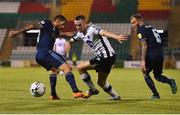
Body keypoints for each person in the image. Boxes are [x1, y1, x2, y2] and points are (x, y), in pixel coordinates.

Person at [8, 15, 85, 100]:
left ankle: (53, 95)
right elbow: (32, 26)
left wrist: (81, 31)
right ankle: (76, 91)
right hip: (46, 53)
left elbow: (66, 34)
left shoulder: (55, 31)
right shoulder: (47, 23)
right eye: (62, 24)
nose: (63, 27)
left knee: (54, 70)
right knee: (67, 68)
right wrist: (17, 32)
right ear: (57, 21)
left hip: (39, 56)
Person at [65, 15, 128, 100]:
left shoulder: (92, 29)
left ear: (85, 23)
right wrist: (68, 42)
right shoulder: (80, 33)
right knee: (101, 82)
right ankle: (116, 96)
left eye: (80, 25)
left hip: (105, 57)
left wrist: (116, 36)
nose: (78, 27)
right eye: (76, 25)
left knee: (80, 67)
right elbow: (73, 39)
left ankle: (92, 89)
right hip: (107, 57)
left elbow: (104, 32)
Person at [130, 14, 177, 99]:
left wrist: (143, 61)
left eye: (133, 22)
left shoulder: (140, 30)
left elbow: (144, 45)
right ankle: (170, 82)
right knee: (157, 76)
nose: (132, 25)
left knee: (145, 73)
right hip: (160, 54)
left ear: (139, 20)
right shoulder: (151, 28)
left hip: (152, 54)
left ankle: (156, 94)